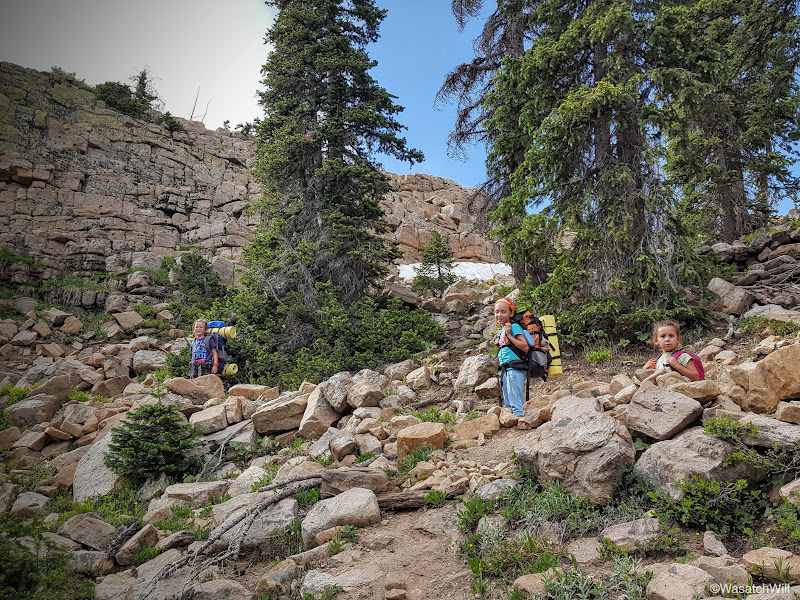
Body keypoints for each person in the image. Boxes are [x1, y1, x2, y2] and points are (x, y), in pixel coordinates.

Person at [492, 297, 529, 417]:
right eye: (497, 312)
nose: (499, 315)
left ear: (511, 313)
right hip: (506, 370)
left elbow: (525, 346)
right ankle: (513, 423)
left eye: (503, 312)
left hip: (515, 369)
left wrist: (509, 335)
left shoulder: (514, 327)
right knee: (509, 404)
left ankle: (521, 422)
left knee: (516, 404)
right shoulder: (503, 329)